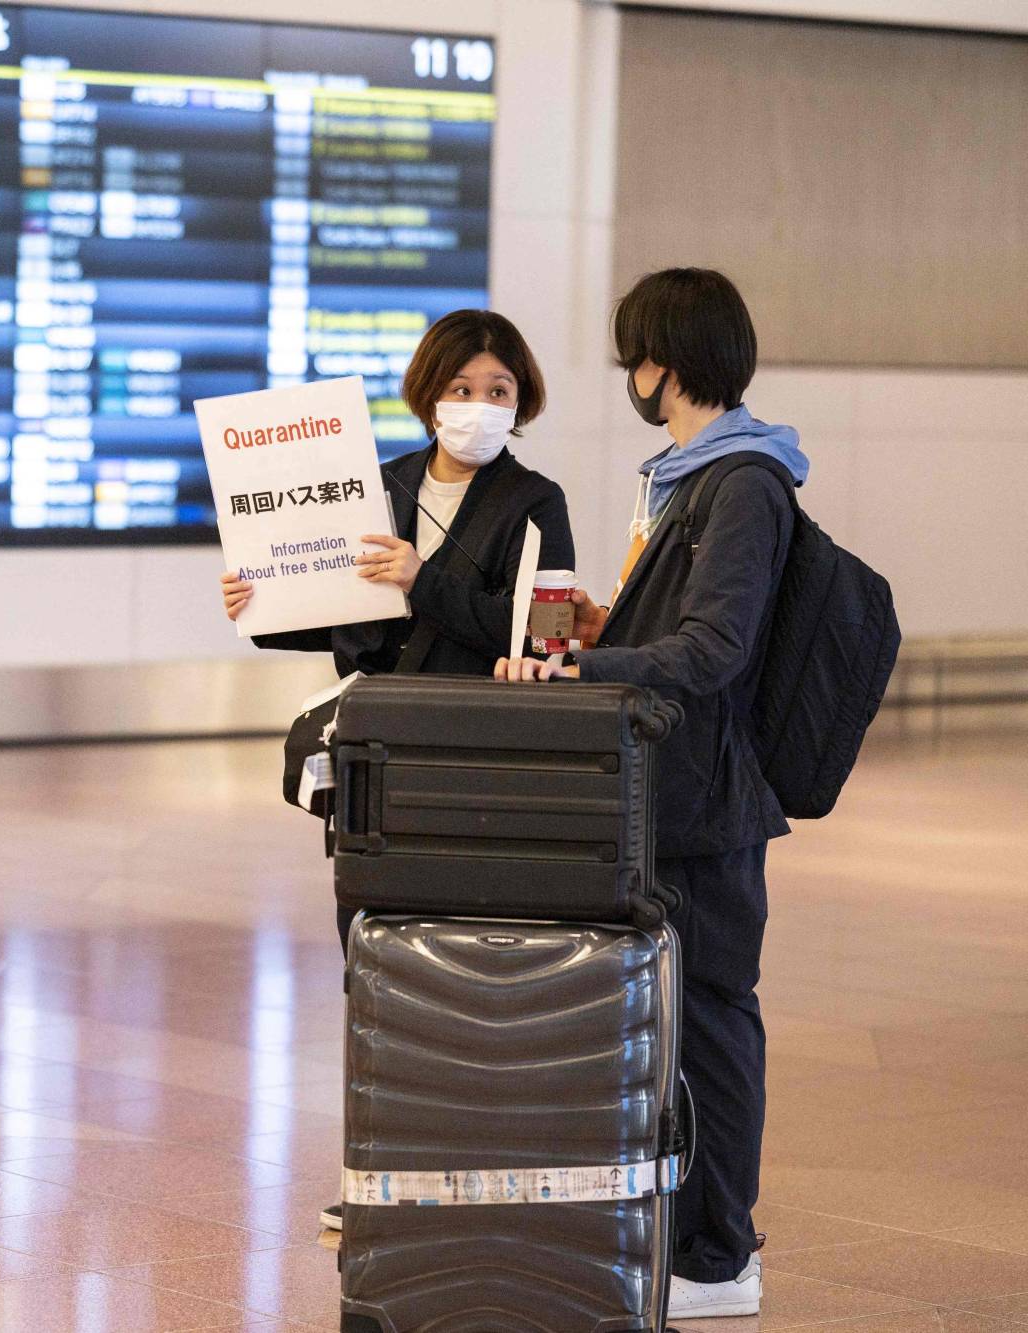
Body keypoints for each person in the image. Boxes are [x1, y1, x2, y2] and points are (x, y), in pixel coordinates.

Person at [220, 308, 575, 1232]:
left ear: (521, 402)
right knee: (371, 959)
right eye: (462, 389)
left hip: (474, 753)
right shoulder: (377, 487)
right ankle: (382, 1176)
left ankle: (479, 1165)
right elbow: (344, 616)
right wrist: (263, 602)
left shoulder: (537, 503)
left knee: (467, 970)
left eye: (497, 392)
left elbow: (534, 632)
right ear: (428, 395)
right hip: (380, 749)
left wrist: (424, 577)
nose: (478, 407)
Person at [496, 268, 808, 1319]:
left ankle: (721, 1256)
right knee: (673, 1025)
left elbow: (714, 647)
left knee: (712, 1024)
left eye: (636, 353)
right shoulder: (685, 476)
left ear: (664, 362)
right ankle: (684, 1236)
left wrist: (584, 671)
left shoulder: (743, 481)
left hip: (708, 805)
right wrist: (600, 631)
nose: (630, 373)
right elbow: (673, 633)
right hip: (668, 793)